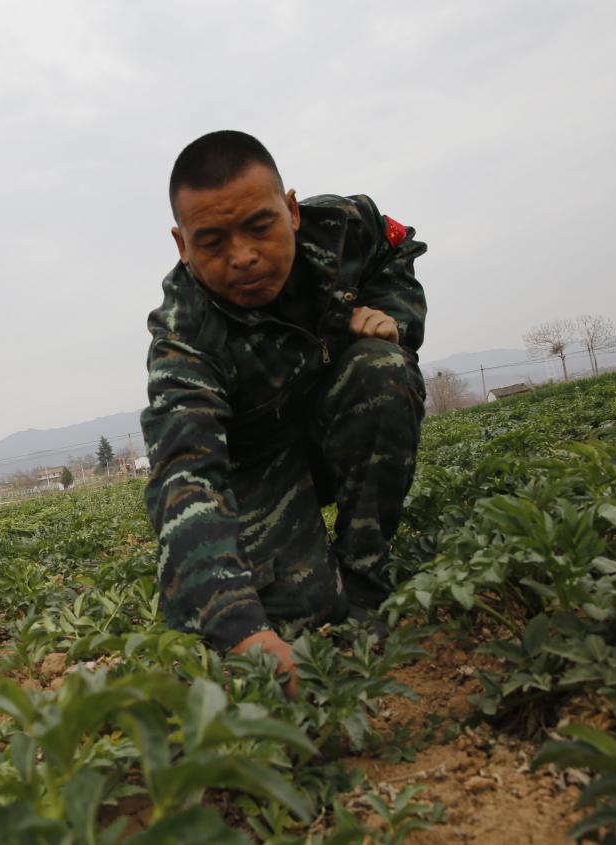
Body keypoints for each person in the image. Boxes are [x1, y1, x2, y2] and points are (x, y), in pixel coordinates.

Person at [142, 130, 427, 695]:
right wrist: (240, 627)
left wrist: (394, 318)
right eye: (212, 241)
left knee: (382, 368)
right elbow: (186, 474)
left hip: (337, 423)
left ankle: (366, 570)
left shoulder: (343, 226)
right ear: (182, 245)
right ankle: (310, 582)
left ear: (292, 210)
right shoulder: (183, 335)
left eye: (260, 227)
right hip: (257, 467)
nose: (243, 257)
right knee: (299, 615)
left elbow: (395, 252)